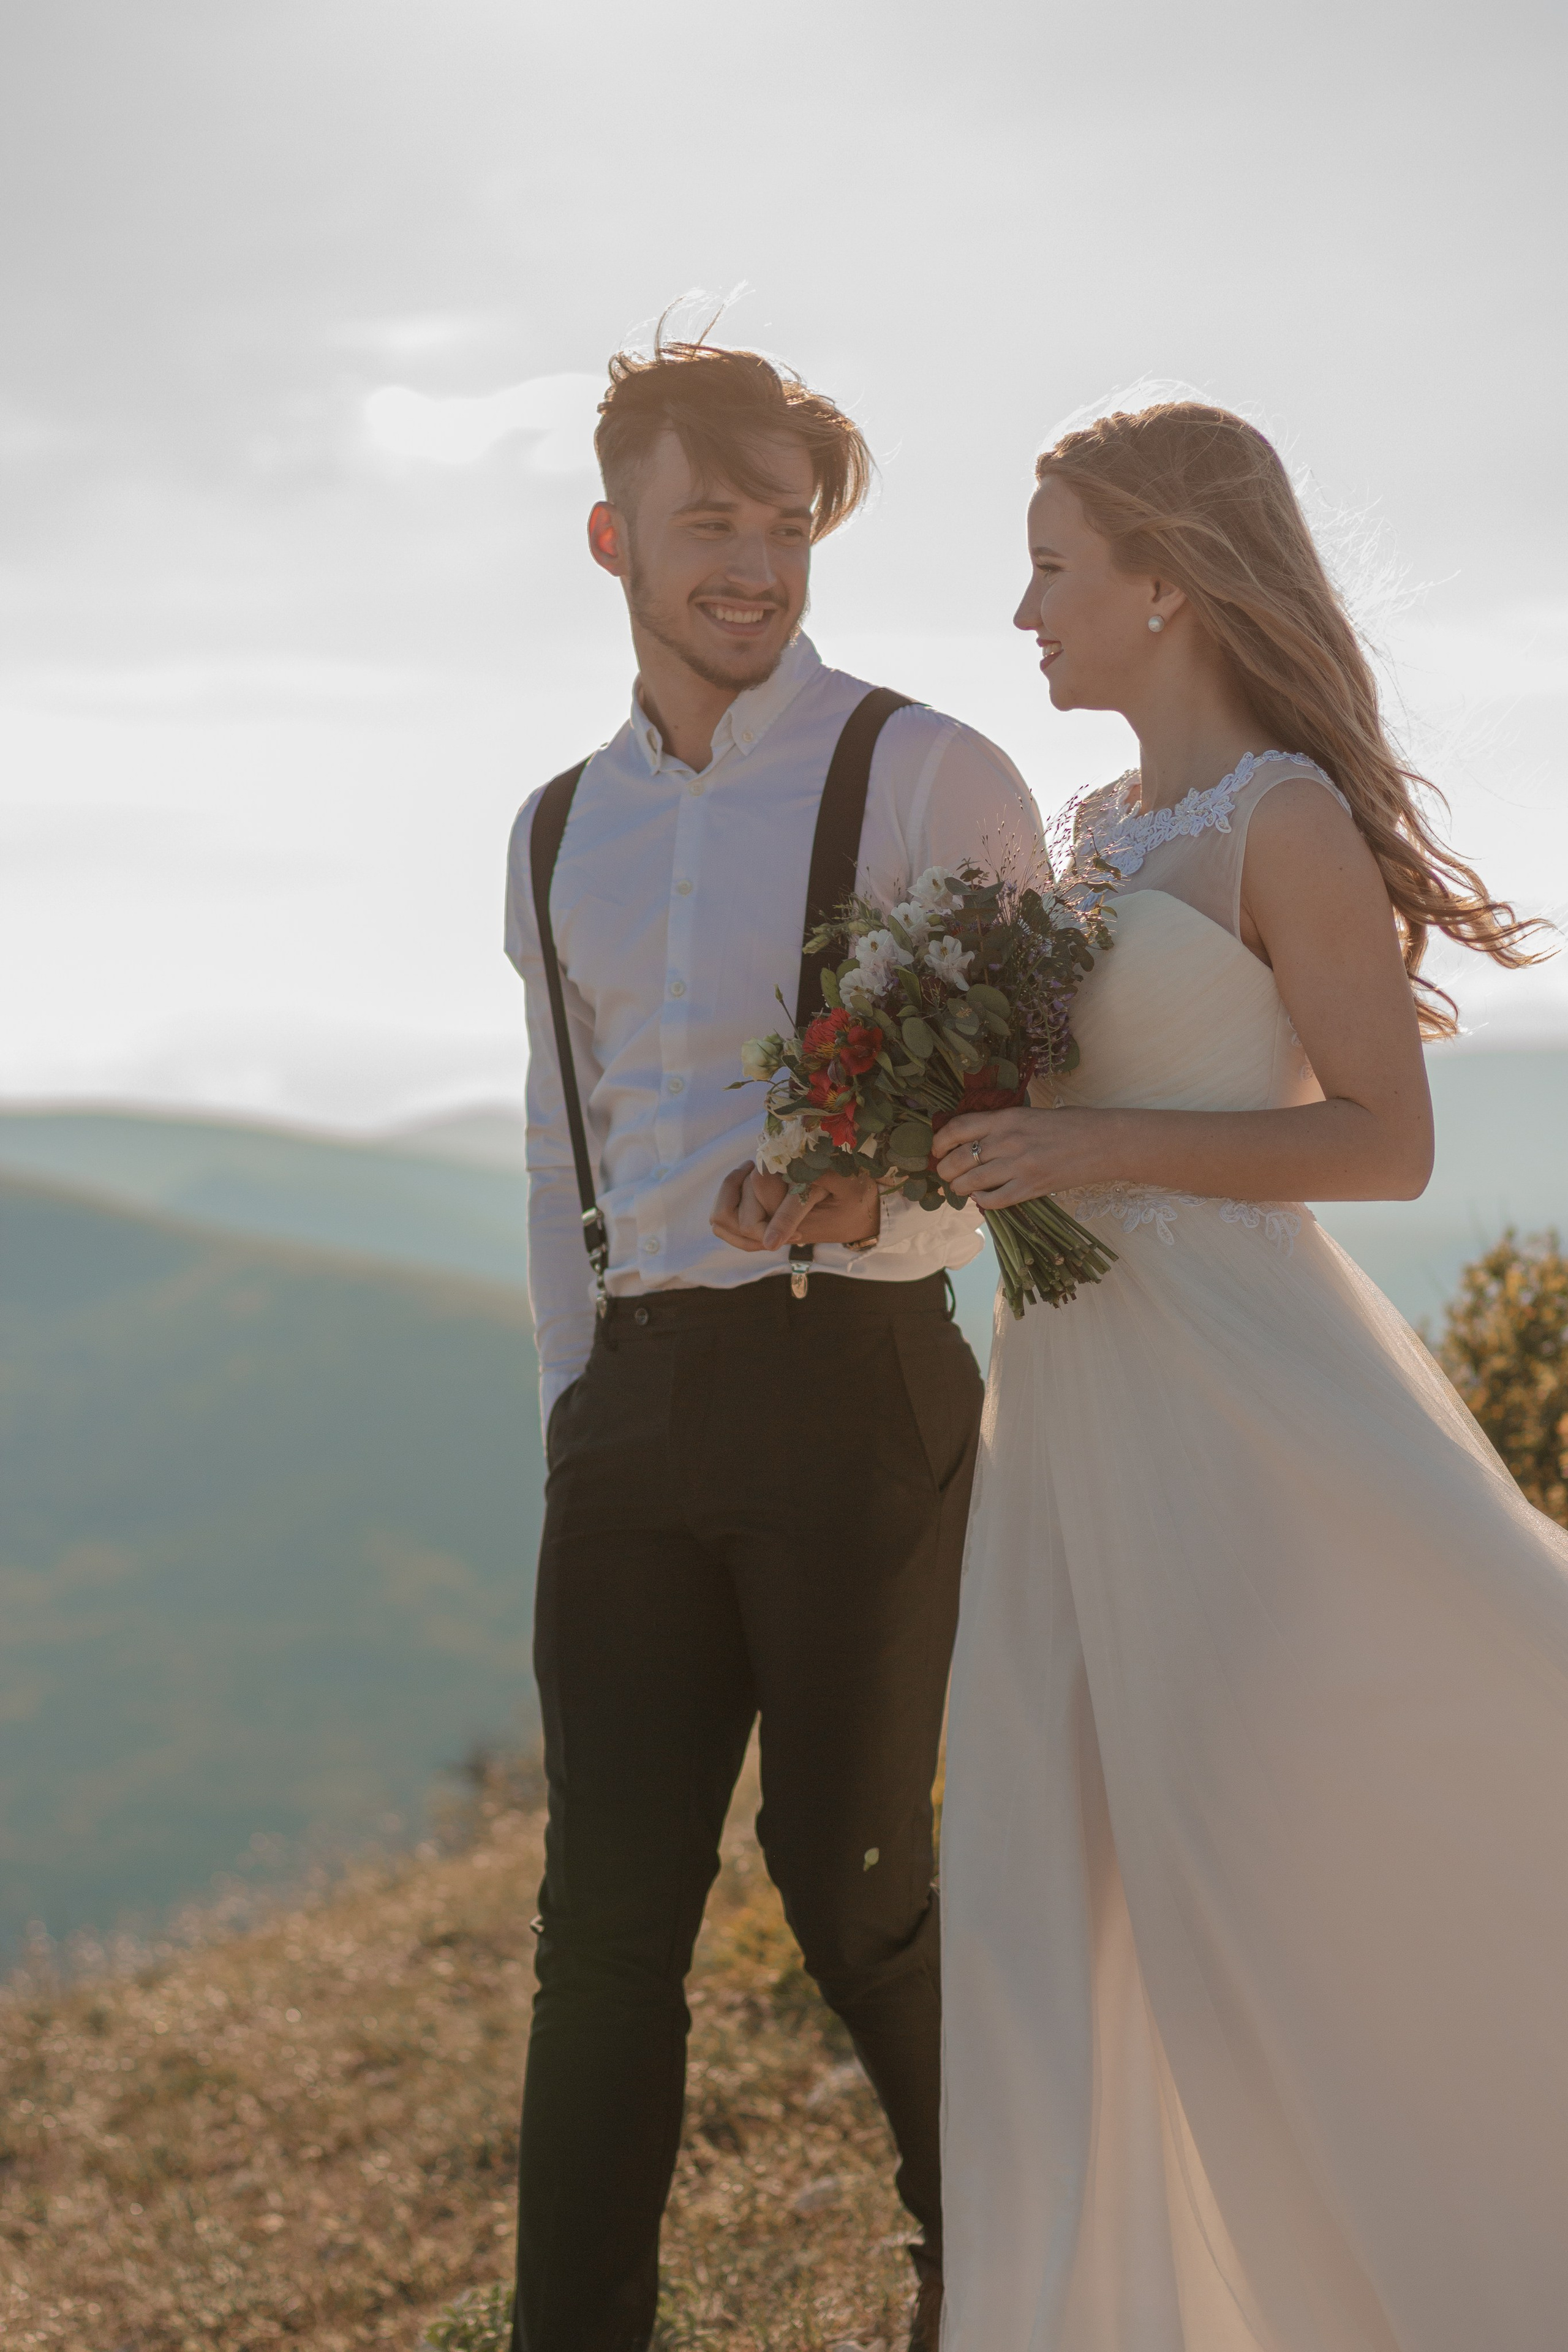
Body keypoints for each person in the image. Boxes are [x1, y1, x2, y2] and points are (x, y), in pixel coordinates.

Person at [930, 401, 1568, 2352]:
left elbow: (1385, 1143)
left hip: (1244, 1405)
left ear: (1166, 582)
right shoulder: (1093, 832)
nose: (1023, 611)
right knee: (1064, 1868)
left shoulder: (1285, 823)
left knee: (1263, 1861)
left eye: (1051, 566)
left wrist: (1088, 1147)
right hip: (1076, 1401)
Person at [502, 328, 1040, 2352]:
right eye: (711, 522)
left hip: (855, 1378)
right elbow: (559, 1136)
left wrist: (872, 1202)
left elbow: (1035, 1120)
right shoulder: (554, 828)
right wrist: (579, 1405)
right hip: (629, 1412)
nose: (754, 564)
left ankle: (998, 2262)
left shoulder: (926, 770)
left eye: (786, 527)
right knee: (600, 1929)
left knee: (856, 1883)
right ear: (612, 538)